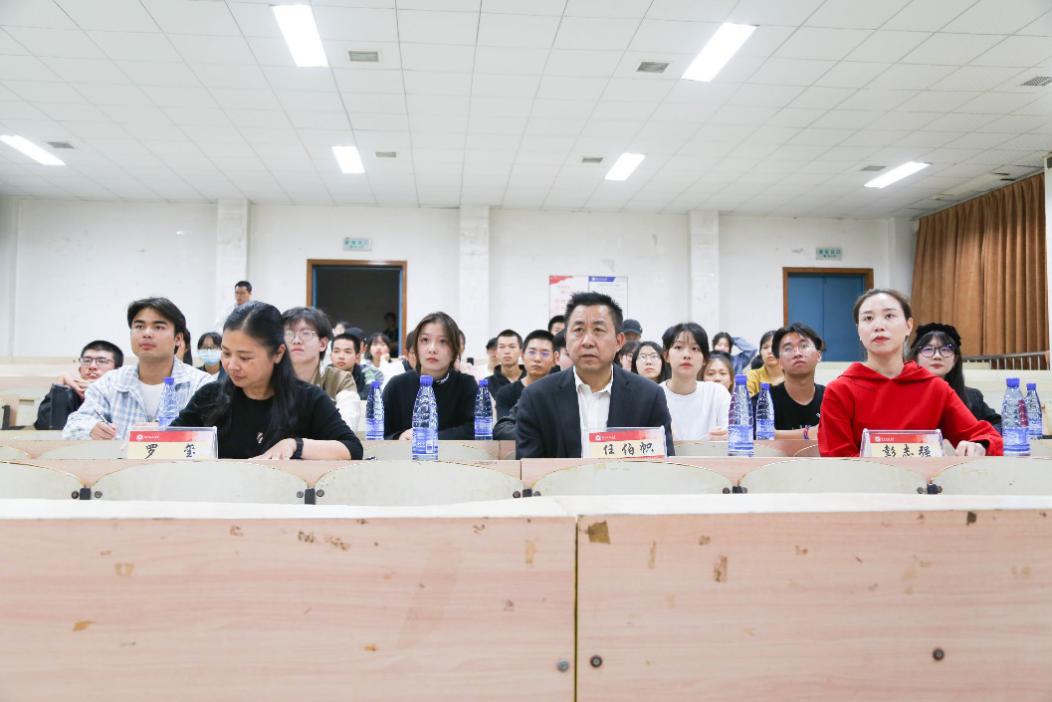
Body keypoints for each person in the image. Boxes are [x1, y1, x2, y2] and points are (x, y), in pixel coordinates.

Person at [819, 289, 1003, 457]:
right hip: (863, 483)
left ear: (908, 325)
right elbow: (836, 458)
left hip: (924, 482)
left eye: (889, 316)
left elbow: (985, 436)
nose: (878, 326)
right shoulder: (840, 390)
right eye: (868, 318)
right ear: (859, 329)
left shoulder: (933, 387)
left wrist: (978, 446)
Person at [173, 302, 363, 460]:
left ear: (278, 353)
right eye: (226, 353)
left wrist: (295, 445)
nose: (232, 365)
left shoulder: (308, 399)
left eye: (245, 357)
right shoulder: (210, 397)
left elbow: (351, 448)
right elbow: (168, 442)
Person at [515, 292, 674, 459]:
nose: (587, 341)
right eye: (578, 330)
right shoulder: (537, 397)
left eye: (598, 330)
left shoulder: (648, 396)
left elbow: (662, 467)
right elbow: (530, 469)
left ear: (619, 341)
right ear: (566, 340)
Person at [63, 298, 214, 440]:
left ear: (178, 339)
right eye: (139, 326)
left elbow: (215, 434)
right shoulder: (110, 382)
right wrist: (91, 428)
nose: (147, 333)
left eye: (158, 327)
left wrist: (168, 431)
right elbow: (73, 425)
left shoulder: (201, 384)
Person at [382, 312, 478, 440]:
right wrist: (399, 437)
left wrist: (430, 438)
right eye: (425, 340)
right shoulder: (397, 385)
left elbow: (477, 429)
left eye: (443, 341)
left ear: (454, 351)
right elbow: (379, 435)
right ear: (416, 347)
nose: (432, 349)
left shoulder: (466, 384)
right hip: (404, 452)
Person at [907, 323, 1001, 430]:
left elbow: (999, 425)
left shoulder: (972, 396)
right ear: (916, 358)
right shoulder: (903, 394)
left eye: (945, 350)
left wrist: (978, 439)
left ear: (955, 360)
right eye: (928, 349)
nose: (937, 356)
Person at [281, 307, 359, 430]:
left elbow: (346, 431)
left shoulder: (340, 380)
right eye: (289, 334)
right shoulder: (269, 379)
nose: (296, 341)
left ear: (322, 344)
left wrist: (297, 441)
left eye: (305, 334)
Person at [661, 322, 729, 440]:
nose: (687, 355)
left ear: (705, 359)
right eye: (678, 347)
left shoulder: (717, 393)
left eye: (695, 348)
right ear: (666, 355)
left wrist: (726, 437)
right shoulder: (654, 395)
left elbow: (733, 434)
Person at [35, 340, 124, 430]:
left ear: (117, 370)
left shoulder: (123, 396)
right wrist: (60, 385)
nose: (92, 366)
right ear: (80, 369)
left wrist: (98, 391)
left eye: (102, 361)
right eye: (87, 360)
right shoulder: (70, 394)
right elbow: (45, 427)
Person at [761, 323, 826, 440]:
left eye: (804, 346)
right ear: (780, 362)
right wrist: (808, 433)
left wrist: (776, 435)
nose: (797, 353)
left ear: (818, 355)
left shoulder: (832, 398)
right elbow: (757, 436)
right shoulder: (764, 400)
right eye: (788, 348)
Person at [495, 330, 555, 419]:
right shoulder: (506, 393)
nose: (537, 358)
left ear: (555, 359)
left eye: (545, 353)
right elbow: (505, 425)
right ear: (522, 355)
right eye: (532, 352)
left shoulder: (562, 392)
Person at [331, 332, 369, 400]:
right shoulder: (322, 374)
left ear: (357, 356)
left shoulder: (366, 375)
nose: (341, 356)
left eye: (347, 352)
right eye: (336, 351)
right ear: (330, 355)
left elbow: (370, 395)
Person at [745, 330, 784, 396]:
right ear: (760, 352)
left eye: (774, 347)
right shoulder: (752, 376)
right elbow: (746, 400)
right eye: (765, 347)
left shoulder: (793, 376)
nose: (770, 351)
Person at [487, 329, 525, 394]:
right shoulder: (485, 383)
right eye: (502, 347)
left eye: (512, 347)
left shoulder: (534, 379)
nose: (507, 351)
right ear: (496, 352)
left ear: (521, 352)